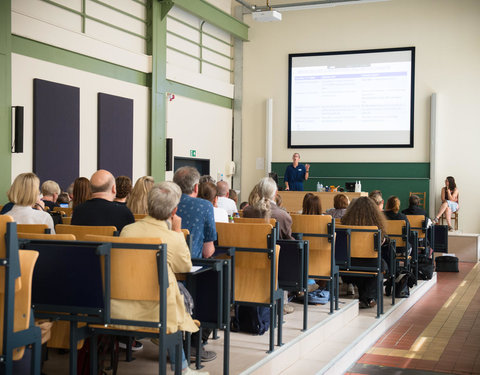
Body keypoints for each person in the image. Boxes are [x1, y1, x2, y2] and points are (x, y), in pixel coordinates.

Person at [119, 182, 209, 375]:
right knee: (175, 299)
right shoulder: (172, 237)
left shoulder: (127, 230)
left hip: (123, 306)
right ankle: (182, 368)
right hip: (158, 311)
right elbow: (184, 267)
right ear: (174, 210)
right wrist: (177, 231)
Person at [341, 196, 388, 309]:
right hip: (370, 264)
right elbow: (382, 242)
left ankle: (366, 296)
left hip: (346, 265)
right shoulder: (376, 228)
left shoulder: (344, 223)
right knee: (381, 265)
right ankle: (368, 297)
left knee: (366, 265)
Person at [174, 166, 216, 259]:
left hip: (163, 263)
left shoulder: (165, 203)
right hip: (192, 265)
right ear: (196, 187)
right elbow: (207, 252)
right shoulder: (205, 206)